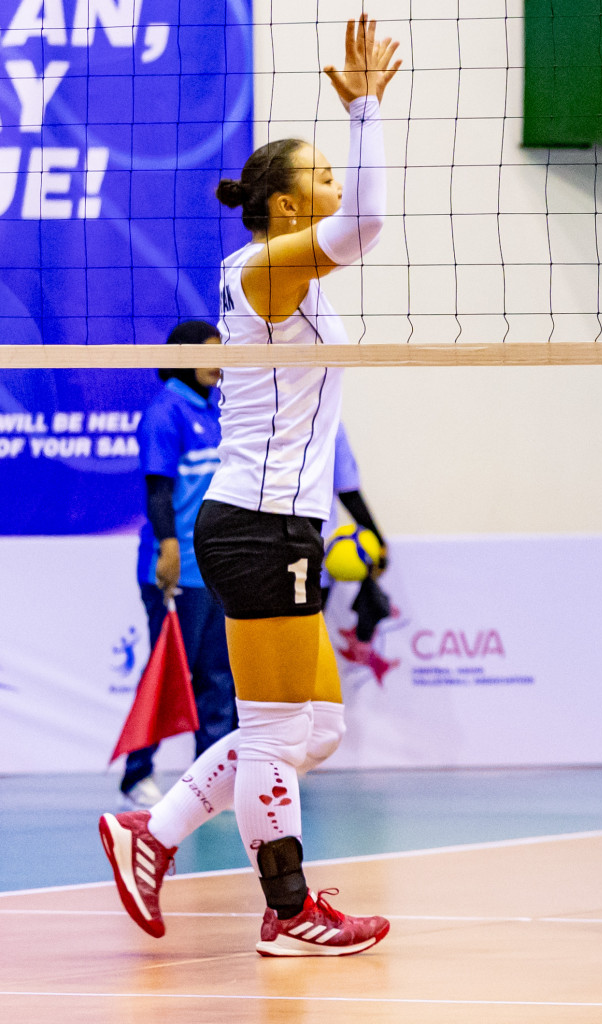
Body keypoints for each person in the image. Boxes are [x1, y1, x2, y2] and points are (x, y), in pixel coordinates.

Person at [98, 11, 398, 957]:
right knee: (274, 728)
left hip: (284, 526)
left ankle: (152, 831)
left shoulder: (294, 282)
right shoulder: (265, 270)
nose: (333, 182)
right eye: (316, 173)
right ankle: (288, 907)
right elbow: (372, 224)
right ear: (280, 203)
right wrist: (364, 111)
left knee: (315, 728)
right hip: (256, 524)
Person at [116, 321, 238, 811]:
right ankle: (135, 776)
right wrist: (168, 546)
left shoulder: (217, 412)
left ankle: (209, 782)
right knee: (169, 675)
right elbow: (158, 492)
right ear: (184, 357)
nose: (219, 362)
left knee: (218, 677)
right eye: (209, 354)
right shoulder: (165, 411)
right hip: (174, 570)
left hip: (213, 570)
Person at [319, 423, 397, 685]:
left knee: (305, 652)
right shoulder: (259, 411)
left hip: (315, 560)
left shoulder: (331, 423)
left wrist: (377, 542)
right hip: (266, 557)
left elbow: (348, 490)